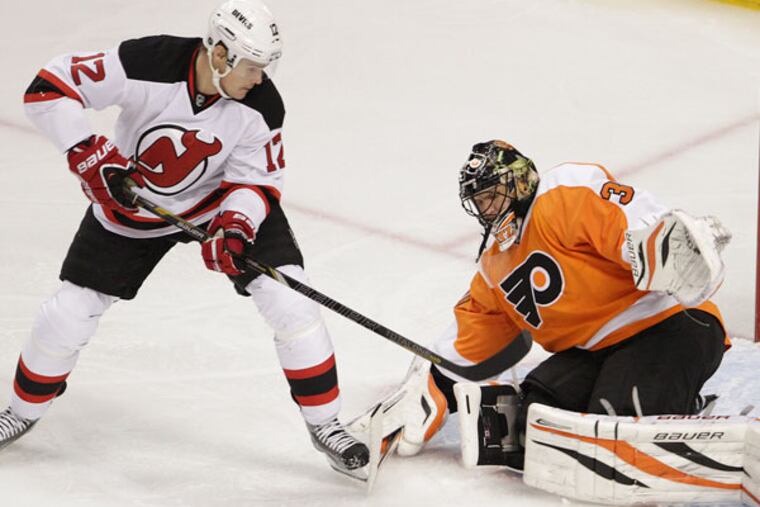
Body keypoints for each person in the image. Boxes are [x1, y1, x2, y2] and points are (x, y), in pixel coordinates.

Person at [0, 0, 369, 472]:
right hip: (133, 203)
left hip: (219, 203)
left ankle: (326, 425)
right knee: (69, 312)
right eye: (252, 67)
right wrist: (88, 152)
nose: (260, 79)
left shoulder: (262, 104)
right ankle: (21, 412)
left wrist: (236, 225)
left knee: (290, 301)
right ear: (219, 55)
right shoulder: (146, 62)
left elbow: (257, 182)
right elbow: (49, 86)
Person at [390, 139, 731, 468]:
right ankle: (653, 406)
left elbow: (631, 223)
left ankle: (681, 409)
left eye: (494, 196)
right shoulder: (495, 265)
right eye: (481, 202)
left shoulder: (563, 194)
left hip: (669, 327)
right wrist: (430, 388)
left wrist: (662, 243)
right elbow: (472, 335)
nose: (489, 210)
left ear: (520, 182)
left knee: (617, 427)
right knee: (532, 425)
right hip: (594, 353)